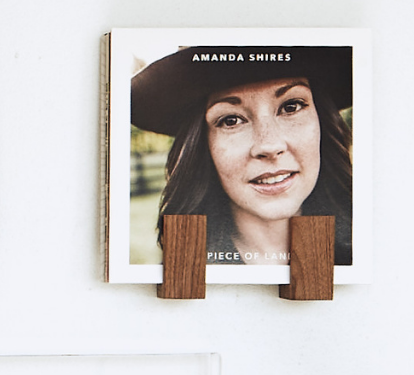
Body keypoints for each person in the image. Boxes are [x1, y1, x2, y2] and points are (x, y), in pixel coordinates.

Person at [130, 46, 353, 265]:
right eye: (231, 120)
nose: (269, 145)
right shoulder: (187, 266)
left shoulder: (371, 250)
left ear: (321, 120)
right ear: (201, 144)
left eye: (291, 106)